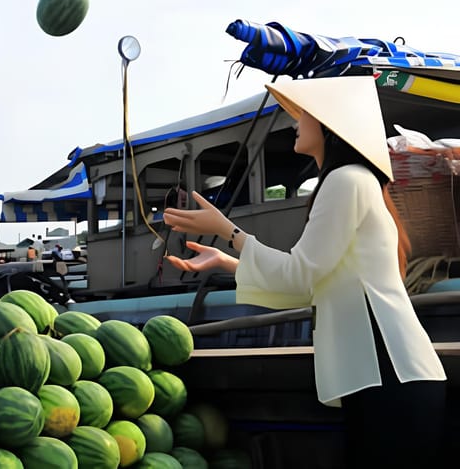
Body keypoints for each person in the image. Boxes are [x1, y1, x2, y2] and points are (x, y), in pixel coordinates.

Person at [162, 76, 446, 468]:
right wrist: (229, 259)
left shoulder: (345, 180)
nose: (295, 121)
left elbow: (301, 275)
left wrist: (228, 231)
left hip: (388, 373)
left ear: (329, 124)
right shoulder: (354, 181)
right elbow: (311, 284)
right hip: (385, 375)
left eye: (303, 114)